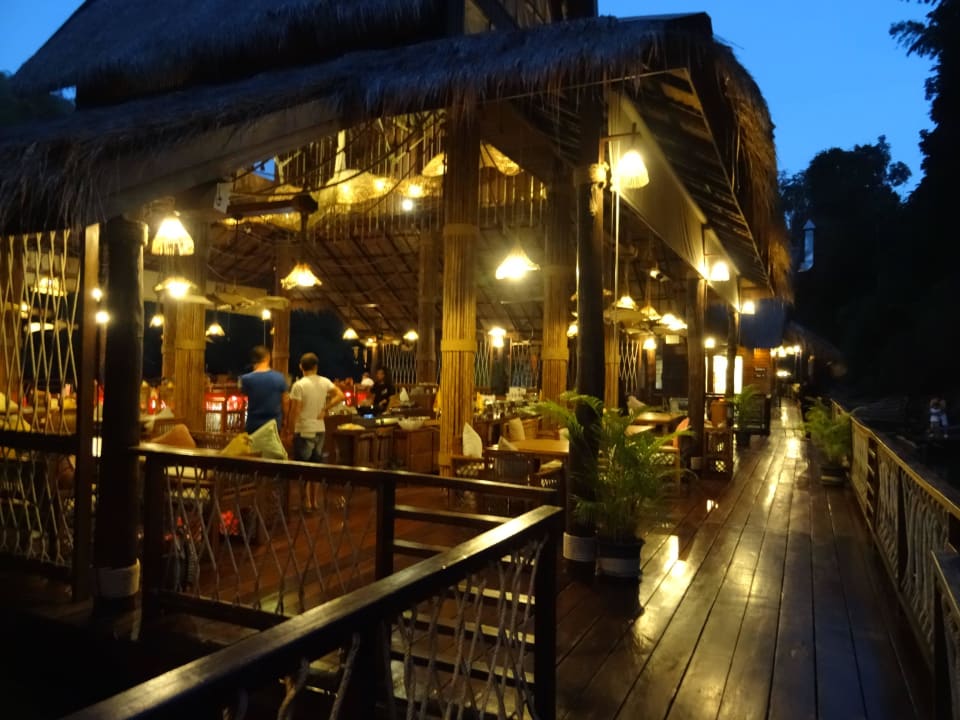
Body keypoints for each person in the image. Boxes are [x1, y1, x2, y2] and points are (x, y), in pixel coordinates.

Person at [239, 345, 289, 433]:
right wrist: (285, 419)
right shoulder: (280, 377)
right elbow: (285, 401)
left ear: (253, 359)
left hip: (253, 424)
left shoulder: (245, 379)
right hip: (273, 424)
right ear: (268, 358)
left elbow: (244, 394)